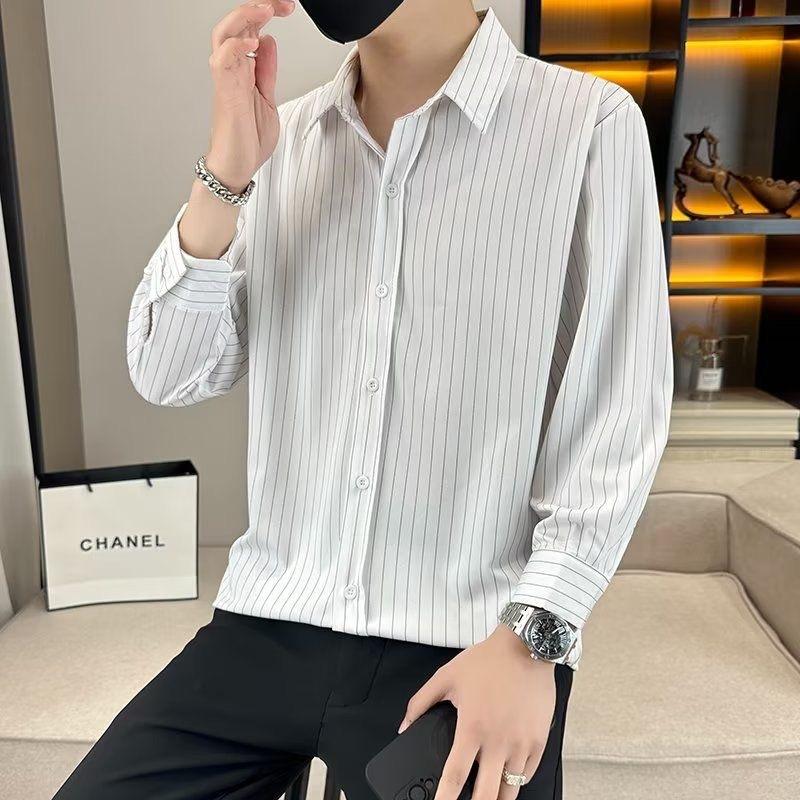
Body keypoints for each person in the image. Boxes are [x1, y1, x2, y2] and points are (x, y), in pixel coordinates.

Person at [53, 2, 673, 799]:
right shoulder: (285, 139)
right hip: (267, 621)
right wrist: (226, 176)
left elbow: (619, 416)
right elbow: (168, 372)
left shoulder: (587, 125)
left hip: (465, 642)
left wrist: (531, 646)